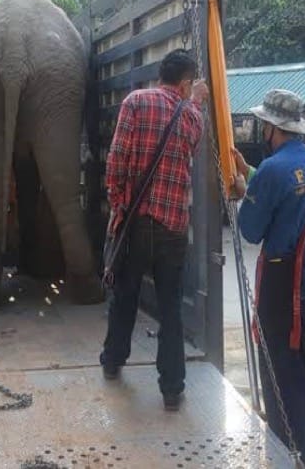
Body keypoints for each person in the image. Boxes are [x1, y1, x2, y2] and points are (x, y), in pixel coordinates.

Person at [230, 89, 305, 468]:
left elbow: (251, 231)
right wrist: (253, 180)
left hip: (282, 293)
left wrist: (245, 193)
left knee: (281, 385)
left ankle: (288, 458)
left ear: (271, 127)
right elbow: (296, 198)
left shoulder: (274, 169)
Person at [99, 49, 209, 411]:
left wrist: (120, 208)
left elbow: (115, 162)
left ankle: (113, 361)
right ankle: (172, 388)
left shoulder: (134, 101)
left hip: (135, 224)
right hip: (173, 229)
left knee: (125, 297)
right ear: (184, 82)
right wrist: (194, 101)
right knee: (171, 308)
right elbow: (193, 143)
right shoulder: (193, 116)